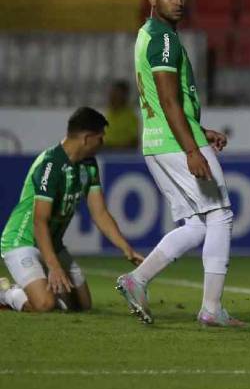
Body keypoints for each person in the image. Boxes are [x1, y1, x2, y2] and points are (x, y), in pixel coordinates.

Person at [115, 0, 242, 327]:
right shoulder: (165, 40)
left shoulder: (145, 36)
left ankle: (137, 280)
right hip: (175, 143)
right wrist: (192, 148)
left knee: (198, 225)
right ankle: (212, 309)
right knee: (220, 215)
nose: (178, 1)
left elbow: (163, 101)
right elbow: (170, 100)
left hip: (155, 142)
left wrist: (199, 130)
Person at [0, 107, 144, 313]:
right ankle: (6, 294)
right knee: (45, 304)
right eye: (100, 138)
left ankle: (33, 289)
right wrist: (54, 266)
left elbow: (99, 212)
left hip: (53, 244)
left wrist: (125, 248)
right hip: (22, 241)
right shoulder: (51, 164)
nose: (103, 144)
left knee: (81, 305)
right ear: (87, 138)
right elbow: (40, 221)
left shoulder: (89, 165)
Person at [103, 80, 139, 149]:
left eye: (116, 94)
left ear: (124, 97)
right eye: (112, 94)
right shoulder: (108, 114)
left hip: (123, 156)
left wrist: (115, 147)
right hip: (106, 154)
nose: (112, 97)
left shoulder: (130, 116)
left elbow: (134, 142)